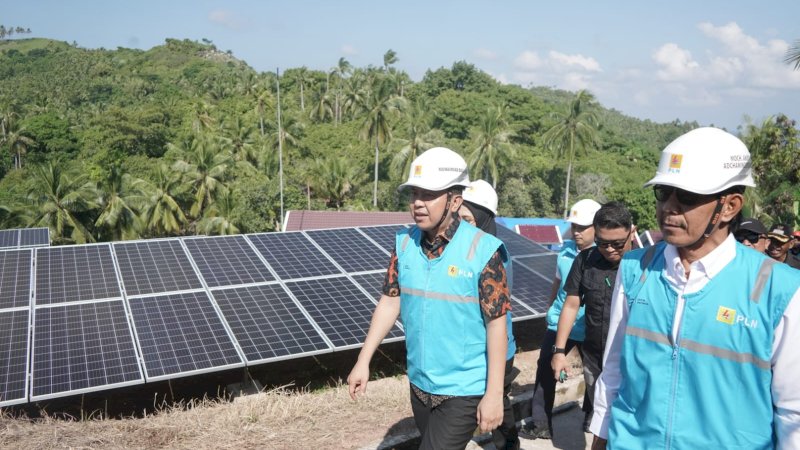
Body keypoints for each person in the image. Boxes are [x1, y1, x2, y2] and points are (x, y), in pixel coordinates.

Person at [590, 127, 800, 449]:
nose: (669, 208)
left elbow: (792, 411)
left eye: (686, 197)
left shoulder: (779, 288)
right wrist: (600, 440)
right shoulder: (636, 268)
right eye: (664, 192)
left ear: (729, 206)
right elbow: (616, 369)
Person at [348, 147, 513, 450]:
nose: (418, 203)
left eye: (428, 195)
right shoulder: (404, 243)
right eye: (414, 194)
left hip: (464, 389)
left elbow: (497, 326)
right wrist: (363, 360)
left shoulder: (484, 250)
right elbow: (390, 301)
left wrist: (493, 394)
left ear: (455, 200)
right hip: (420, 384)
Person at [550, 201, 634, 438]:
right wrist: (558, 351)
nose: (608, 250)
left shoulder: (644, 264)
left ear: (632, 231)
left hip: (632, 362)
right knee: (600, 417)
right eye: (601, 243)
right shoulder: (585, 260)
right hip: (595, 357)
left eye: (617, 244)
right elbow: (571, 304)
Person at [520, 198, 601, 440]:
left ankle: (591, 417)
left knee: (594, 375)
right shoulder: (565, 252)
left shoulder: (603, 256)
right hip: (560, 323)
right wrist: (549, 308)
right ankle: (541, 422)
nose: (576, 232)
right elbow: (557, 283)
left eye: (582, 227)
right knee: (545, 369)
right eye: (574, 226)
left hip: (590, 326)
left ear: (596, 227)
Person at [460, 179, 519, 450]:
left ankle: (508, 443)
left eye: (467, 219)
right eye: (457, 217)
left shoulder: (494, 254)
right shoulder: (462, 249)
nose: (460, 225)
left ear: (483, 218)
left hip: (498, 349)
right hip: (470, 348)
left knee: (497, 402)